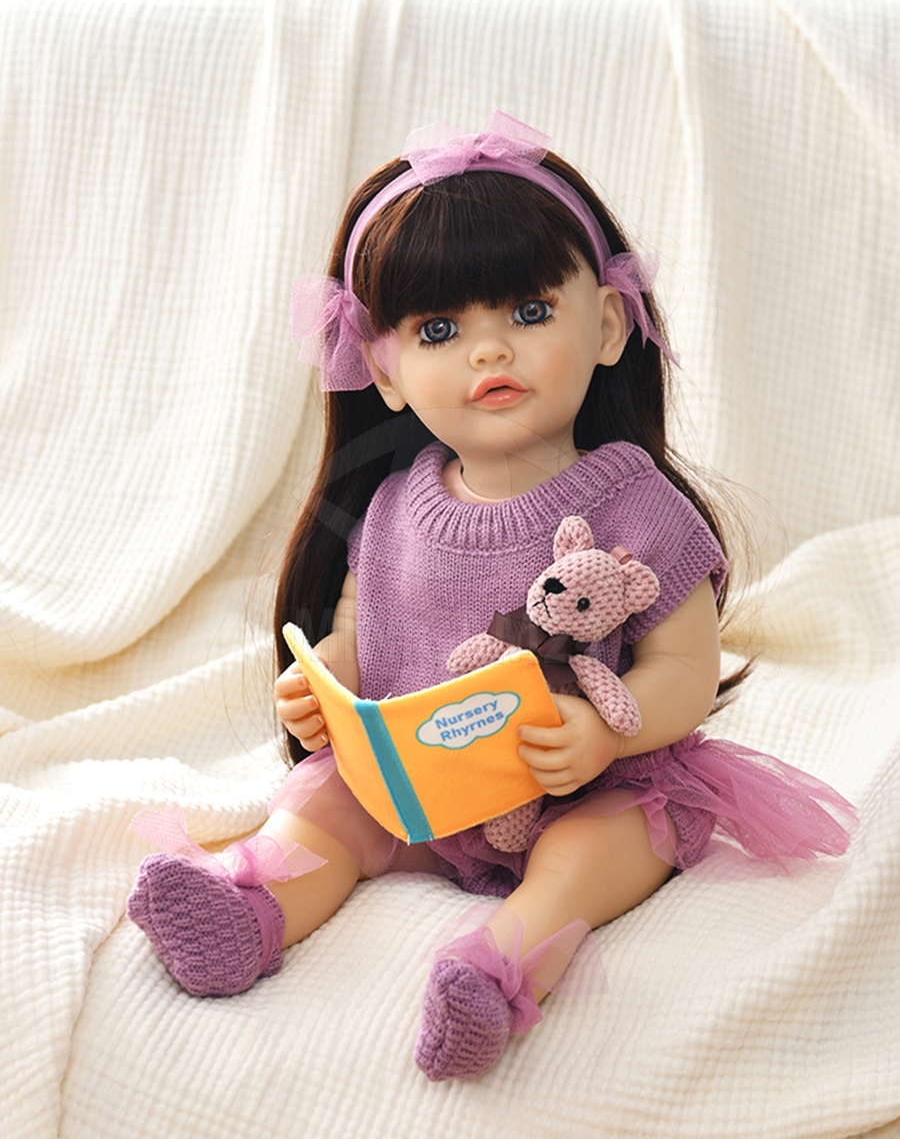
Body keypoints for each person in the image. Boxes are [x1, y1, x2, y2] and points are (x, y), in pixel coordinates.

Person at [127, 112, 856, 1081]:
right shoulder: (394, 507)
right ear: (384, 370)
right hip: (433, 785)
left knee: (596, 850)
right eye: (439, 330)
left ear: (606, 325)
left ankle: (501, 966)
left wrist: (607, 736)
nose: (490, 353)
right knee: (324, 801)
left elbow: (686, 666)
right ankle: (248, 905)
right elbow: (363, 633)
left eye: (529, 313)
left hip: (589, 784)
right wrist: (326, 687)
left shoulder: (635, 503)